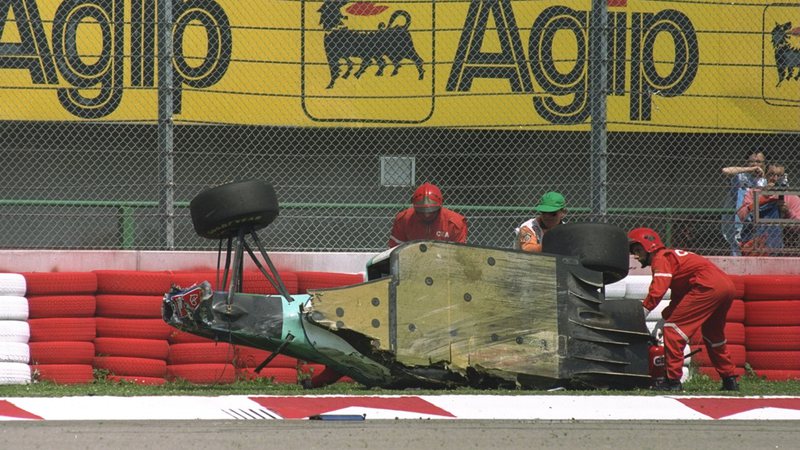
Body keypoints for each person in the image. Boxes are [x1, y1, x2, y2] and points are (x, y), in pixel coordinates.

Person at [628, 227, 739, 391]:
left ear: (649, 246)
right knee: (713, 336)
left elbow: (658, 290)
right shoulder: (673, 257)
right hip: (726, 286)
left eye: (638, 250)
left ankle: (672, 381)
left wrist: (642, 312)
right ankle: (730, 379)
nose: (636, 256)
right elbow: (680, 298)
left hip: (707, 287)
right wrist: (664, 317)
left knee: (673, 331)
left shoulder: (661, 258)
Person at [736, 163, 797, 255]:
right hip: (754, 241)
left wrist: (788, 212)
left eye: (779, 175)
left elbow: (798, 226)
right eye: (771, 174)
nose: (775, 178)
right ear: (765, 176)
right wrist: (763, 198)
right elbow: (742, 216)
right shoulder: (753, 192)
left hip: (780, 245)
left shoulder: (791, 197)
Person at [388, 182, 467, 248]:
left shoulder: (455, 224)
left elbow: (458, 255)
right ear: (414, 205)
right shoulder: (403, 219)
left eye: (431, 211)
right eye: (421, 211)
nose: (426, 215)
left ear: (440, 205)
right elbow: (395, 250)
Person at [721, 150, 766, 256]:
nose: (756, 164)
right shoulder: (741, 176)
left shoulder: (765, 179)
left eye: (759, 162)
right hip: (739, 217)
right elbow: (725, 170)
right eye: (752, 162)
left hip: (758, 216)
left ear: (764, 163)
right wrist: (750, 169)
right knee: (737, 244)